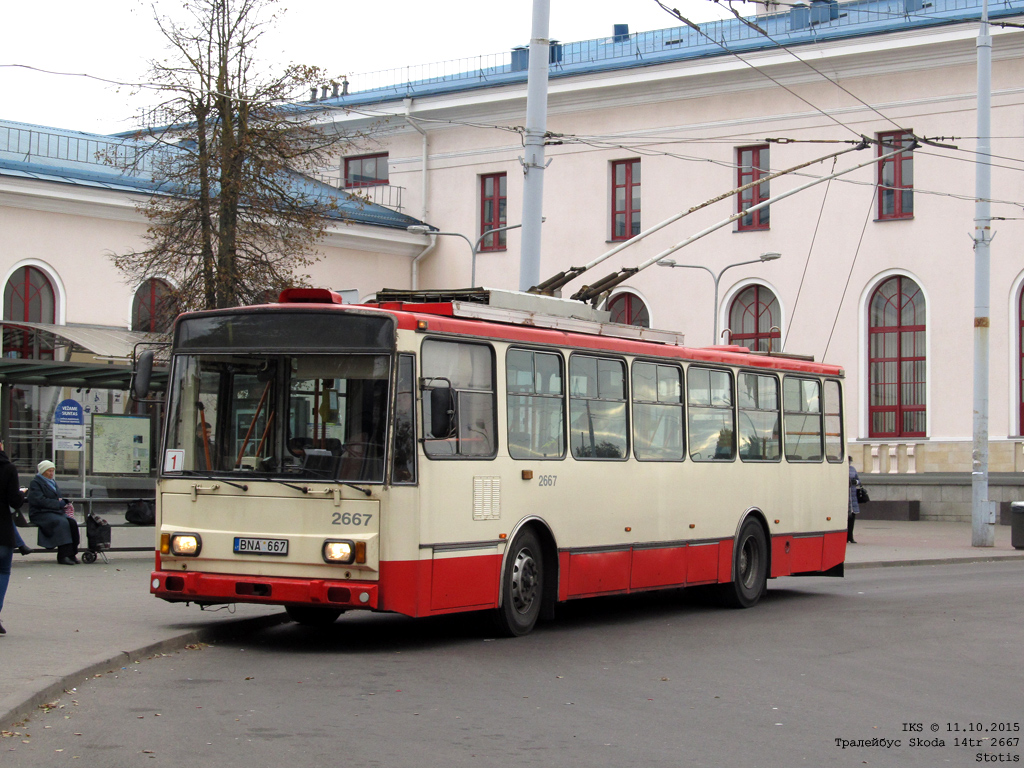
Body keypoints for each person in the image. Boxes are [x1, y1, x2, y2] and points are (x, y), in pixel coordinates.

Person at [0, 438, 28, 635]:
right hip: (2, 531)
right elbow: (14, 501)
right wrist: (21, 494)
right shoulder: (8, 468)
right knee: (2, 572)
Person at [28, 460, 80, 565]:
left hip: (53, 512)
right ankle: (63, 555)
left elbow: (57, 497)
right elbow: (39, 500)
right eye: (49, 471)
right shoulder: (36, 483)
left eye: (52, 471)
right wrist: (58, 504)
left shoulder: (52, 482)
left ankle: (71, 553)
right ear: (43, 472)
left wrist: (62, 502)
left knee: (72, 523)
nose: (51, 473)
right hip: (40, 513)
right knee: (62, 523)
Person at [848, 457, 860, 544]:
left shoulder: (852, 469)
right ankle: (845, 537)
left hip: (852, 498)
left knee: (852, 518)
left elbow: (859, 480)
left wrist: (855, 482)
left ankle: (851, 537)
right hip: (845, 497)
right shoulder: (839, 468)